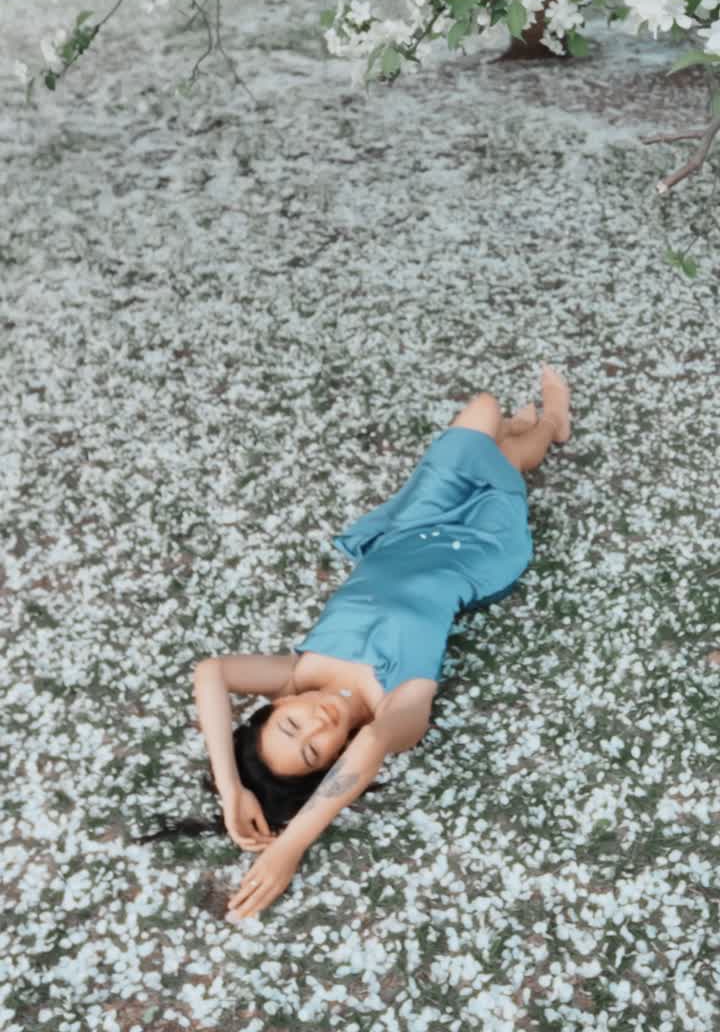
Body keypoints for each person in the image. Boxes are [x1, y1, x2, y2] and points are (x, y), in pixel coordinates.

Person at [147, 366, 570, 919]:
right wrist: (290, 846)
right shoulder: (396, 711)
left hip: (412, 525)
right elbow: (369, 747)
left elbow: (211, 672)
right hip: (476, 548)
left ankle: (511, 437)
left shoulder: (296, 676)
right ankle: (548, 426)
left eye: (291, 726)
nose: (316, 725)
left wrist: (231, 790)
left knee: (483, 407)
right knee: (504, 462)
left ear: (277, 705)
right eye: (313, 751)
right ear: (335, 760)